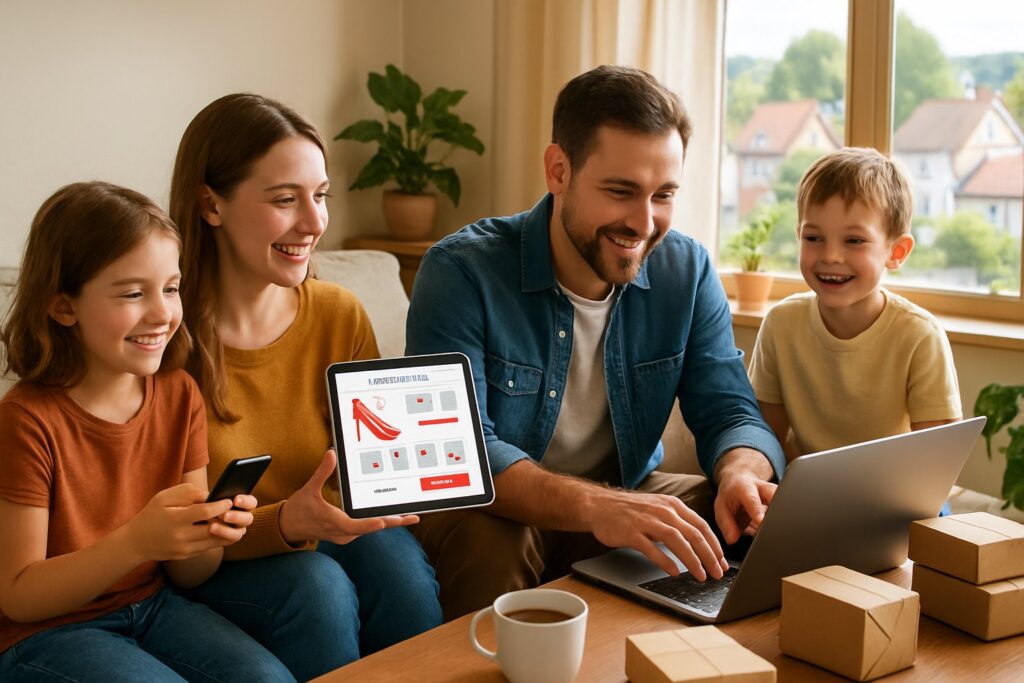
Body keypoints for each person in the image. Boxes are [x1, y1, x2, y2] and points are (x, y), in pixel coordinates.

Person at [406, 65, 786, 620]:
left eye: (664, 195)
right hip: (498, 513)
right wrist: (598, 505)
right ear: (558, 170)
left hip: (621, 490)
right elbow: (459, 454)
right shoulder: (461, 271)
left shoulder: (688, 270)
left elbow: (730, 410)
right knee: (497, 539)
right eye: (621, 191)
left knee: (715, 514)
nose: (644, 221)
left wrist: (740, 474)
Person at [170, 93, 442, 678]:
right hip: (214, 563)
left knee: (399, 567)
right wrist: (286, 523)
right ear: (210, 203)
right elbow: (173, 545)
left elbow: (372, 474)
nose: (315, 223)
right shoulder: (164, 339)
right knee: (316, 587)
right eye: (285, 199)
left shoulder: (338, 313)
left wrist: (425, 459)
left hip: (324, 530)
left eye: (320, 196)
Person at [0, 182, 292, 681]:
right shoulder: (25, 420)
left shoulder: (179, 395)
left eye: (171, 288)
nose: (162, 314)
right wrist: (136, 542)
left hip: (153, 606)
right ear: (63, 306)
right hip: (46, 633)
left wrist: (208, 534)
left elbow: (189, 573)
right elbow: (19, 594)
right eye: (134, 294)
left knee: (268, 677)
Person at [748, 147, 961, 461]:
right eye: (813, 238)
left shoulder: (920, 335)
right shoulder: (780, 323)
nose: (831, 255)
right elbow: (766, 439)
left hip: (898, 493)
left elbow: (937, 459)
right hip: (811, 491)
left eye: (854, 241)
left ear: (897, 252)